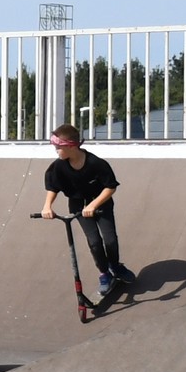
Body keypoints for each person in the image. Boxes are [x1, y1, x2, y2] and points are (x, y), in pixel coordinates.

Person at [37, 123, 138, 303]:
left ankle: (116, 266)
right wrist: (47, 206)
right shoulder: (59, 166)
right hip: (77, 206)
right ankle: (104, 273)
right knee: (94, 242)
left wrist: (93, 205)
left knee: (110, 239)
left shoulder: (96, 163)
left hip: (101, 203)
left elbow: (110, 187)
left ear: (71, 146)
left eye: (58, 147)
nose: (56, 151)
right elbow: (53, 187)